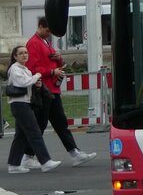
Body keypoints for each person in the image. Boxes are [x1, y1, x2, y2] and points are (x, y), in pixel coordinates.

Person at [22, 17, 95, 168]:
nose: (49, 34)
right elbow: (33, 69)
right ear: (40, 27)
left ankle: (73, 153)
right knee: (45, 123)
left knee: (58, 122)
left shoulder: (43, 42)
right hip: (44, 89)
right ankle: (29, 156)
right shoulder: (34, 43)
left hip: (50, 88)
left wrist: (59, 59)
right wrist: (52, 71)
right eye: (47, 31)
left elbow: (45, 65)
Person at [6, 45, 59, 173]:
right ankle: (45, 161)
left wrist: (36, 84)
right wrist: (36, 76)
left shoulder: (25, 69)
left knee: (21, 135)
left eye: (26, 53)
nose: (25, 55)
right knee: (34, 132)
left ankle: (13, 165)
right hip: (19, 104)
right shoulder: (15, 69)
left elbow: (27, 83)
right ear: (15, 56)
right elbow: (23, 83)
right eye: (21, 53)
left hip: (24, 103)